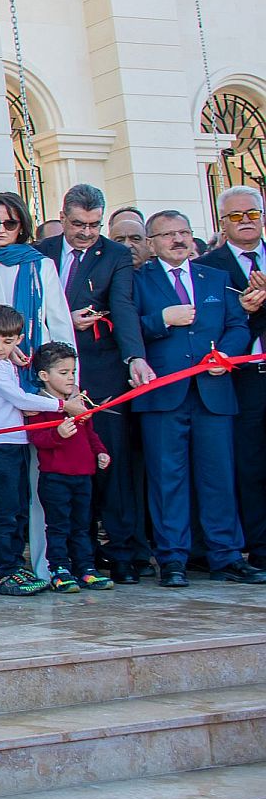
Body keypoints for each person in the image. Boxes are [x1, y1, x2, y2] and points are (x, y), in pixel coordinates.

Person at [133, 210, 266, 587]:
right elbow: (129, 329)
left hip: (214, 393)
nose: (178, 240)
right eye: (167, 234)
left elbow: (237, 324)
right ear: (151, 242)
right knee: (167, 479)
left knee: (218, 477)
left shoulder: (216, 277)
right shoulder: (137, 280)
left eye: (184, 232)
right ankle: (173, 559)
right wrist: (163, 320)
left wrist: (226, 354)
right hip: (164, 394)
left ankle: (225, 556)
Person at [34, 183, 153, 583]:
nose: (87, 232)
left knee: (108, 462)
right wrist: (67, 317)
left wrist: (135, 357)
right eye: (79, 224)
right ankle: (73, 558)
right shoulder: (42, 252)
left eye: (94, 224)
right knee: (64, 468)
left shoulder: (115, 254)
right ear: (63, 216)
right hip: (53, 377)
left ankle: (121, 554)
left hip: (102, 373)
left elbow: (123, 306)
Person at [0, 305, 69, 597]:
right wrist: (62, 405)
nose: (0, 347)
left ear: (19, 338)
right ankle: (5, 571)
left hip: (16, 441)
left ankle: (15, 564)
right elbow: (16, 397)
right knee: (3, 511)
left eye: (8, 341)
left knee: (17, 508)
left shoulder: (8, 363)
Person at [196, 185, 266, 567]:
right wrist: (243, 310)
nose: (245, 222)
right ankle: (260, 547)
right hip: (245, 375)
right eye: (236, 216)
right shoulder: (212, 266)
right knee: (250, 462)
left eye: (252, 214)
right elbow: (213, 324)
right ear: (223, 223)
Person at [23, 343, 112, 594]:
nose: (70, 378)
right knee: (59, 526)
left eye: (72, 372)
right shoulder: (38, 405)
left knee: (82, 525)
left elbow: (90, 434)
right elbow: (37, 439)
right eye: (63, 373)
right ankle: (59, 569)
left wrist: (101, 451)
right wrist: (58, 434)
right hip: (55, 478)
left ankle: (86, 568)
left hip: (84, 476)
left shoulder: (78, 402)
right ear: (44, 376)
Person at [0, 191, 75, 362]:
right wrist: (7, 346)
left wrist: (70, 376)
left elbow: (60, 323)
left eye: (10, 224)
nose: (0, 230)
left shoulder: (42, 265)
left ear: (21, 227)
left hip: (38, 358)